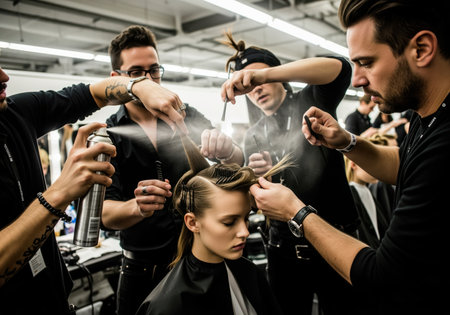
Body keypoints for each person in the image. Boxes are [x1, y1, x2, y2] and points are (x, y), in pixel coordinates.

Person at [249, 0, 450, 313]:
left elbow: (382, 278)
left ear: (422, 49)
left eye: (366, 62)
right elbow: (404, 165)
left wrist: (295, 211)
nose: (357, 79)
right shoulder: (428, 118)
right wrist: (346, 142)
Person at [0, 59, 189, 314]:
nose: (4, 76)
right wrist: (60, 193)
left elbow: (94, 93)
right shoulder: (115, 131)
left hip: (55, 298)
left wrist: (139, 86)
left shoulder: (15, 113)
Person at [101, 25, 244, 315]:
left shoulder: (186, 114)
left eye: (154, 70)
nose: (149, 79)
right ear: (116, 79)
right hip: (142, 272)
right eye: (137, 73)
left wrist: (227, 149)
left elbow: (238, 161)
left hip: (198, 262)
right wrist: (136, 207)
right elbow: (104, 214)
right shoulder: (109, 135)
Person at [221, 33, 360, 315]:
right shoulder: (253, 135)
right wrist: (257, 181)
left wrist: (263, 75)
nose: (255, 87)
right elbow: (258, 199)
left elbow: (340, 67)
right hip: (283, 251)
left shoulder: (311, 101)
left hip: (335, 241)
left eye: (259, 79)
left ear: (278, 76)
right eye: (248, 84)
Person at [137, 134, 286, 315]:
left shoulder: (250, 274)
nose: (245, 232)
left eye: (246, 218)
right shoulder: (168, 306)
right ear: (192, 222)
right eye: (229, 222)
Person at [344, 136, 390, 249]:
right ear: (353, 165)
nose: (378, 168)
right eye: (371, 162)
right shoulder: (352, 193)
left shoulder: (366, 190)